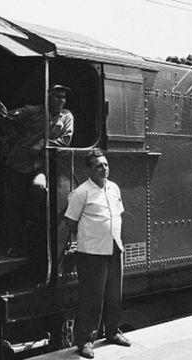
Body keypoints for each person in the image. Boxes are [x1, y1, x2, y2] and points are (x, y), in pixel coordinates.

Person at [64, 150, 131, 359]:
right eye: (99, 166)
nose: (104, 169)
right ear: (89, 170)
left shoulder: (114, 188)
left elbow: (117, 214)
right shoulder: (81, 192)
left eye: (106, 165)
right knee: (91, 299)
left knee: (114, 295)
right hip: (92, 252)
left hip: (114, 248)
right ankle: (84, 341)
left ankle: (112, 332)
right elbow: (71, 223)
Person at [3, 85, 74, 257]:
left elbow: (65, 140)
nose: (61, 100)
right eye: (57, 96)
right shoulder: (32, 110)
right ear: (48, 97)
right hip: (18, 163)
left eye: (63, 97)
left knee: (38, 189)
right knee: (14, 206)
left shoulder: (67, 116)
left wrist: (42, 144)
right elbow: (6, 117)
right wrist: (15, 139)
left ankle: (30, 240)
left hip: (41, 165)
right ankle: (14, 245)